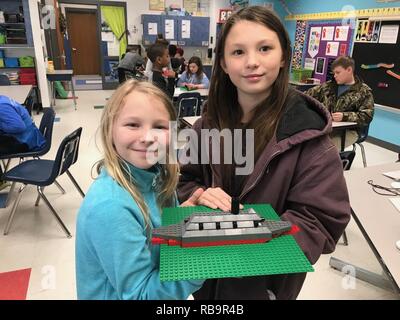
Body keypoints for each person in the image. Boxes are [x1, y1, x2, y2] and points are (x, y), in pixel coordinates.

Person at [177, 6, 350, 300]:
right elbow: (185, 182)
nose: (252, 62)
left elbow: (320, 220)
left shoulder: (307, 137)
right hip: (205, 280)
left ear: (283, 56)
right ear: (223, 62)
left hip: (264, 285)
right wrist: (199, 194)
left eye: (265, 48)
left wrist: (252, 244)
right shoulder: (208, 125)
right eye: (238, 52)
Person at [75, 80, 204, 300]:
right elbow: (140, 296)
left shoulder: (158, 177)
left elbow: (155, 238)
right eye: (133, 125)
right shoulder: (111, 207)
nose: (147, 138)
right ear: (110, 130)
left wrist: (179, 218)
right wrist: (200, 265)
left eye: (160, 126)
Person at [305, 56, 374, 149]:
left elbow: (367, 116)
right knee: (305, 144)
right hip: (326, 127)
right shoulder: (328, 86)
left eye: (338, 72)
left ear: (349, 70)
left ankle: (336, 162)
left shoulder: (363, 91)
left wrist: (344, 116)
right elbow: (306, 96)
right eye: (334, 73)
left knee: (325, 150)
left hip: (349, 131)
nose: (335, 76)